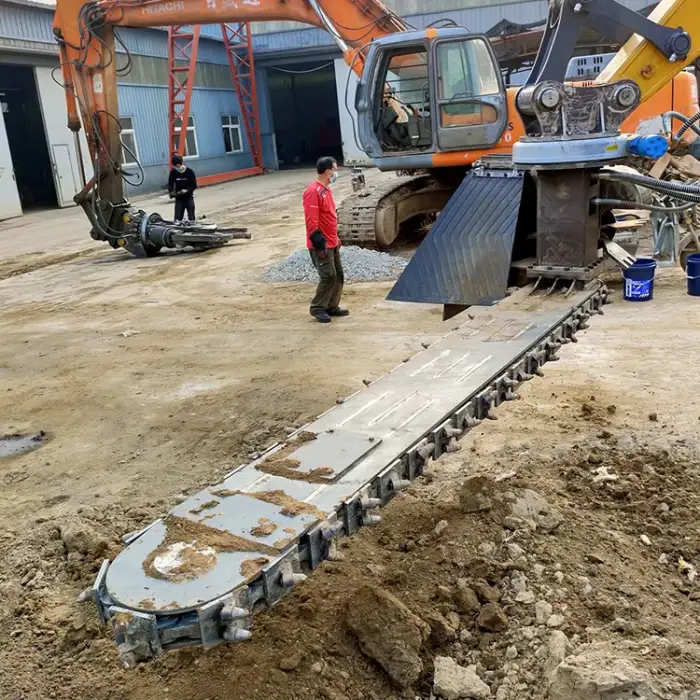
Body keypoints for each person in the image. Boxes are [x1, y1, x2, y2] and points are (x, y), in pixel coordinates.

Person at [303, 157, 349, 324]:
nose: (336, 172)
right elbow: (311, 221)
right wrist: (319, 244)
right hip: (322, 244)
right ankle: (317, 308)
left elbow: (329, 217)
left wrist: (336, 239)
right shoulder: (313, 192)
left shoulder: (326, 190)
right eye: (335, 169)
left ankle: (331, 305)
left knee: (338, 275)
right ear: (328, 171)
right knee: (328, 276)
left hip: (332, 241)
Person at [168, 154, 197, 223]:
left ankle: (193, 227)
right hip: (179, 198)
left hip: (188, 197)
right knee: (177, 219)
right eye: (175, 166)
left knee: (191, 217)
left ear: (181, 164)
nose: (177, 168)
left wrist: (187, 190)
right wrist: (171, 192)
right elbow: (170, 184)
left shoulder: (189, 172)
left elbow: (194, 185)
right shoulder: (173, 173)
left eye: (178, 166)